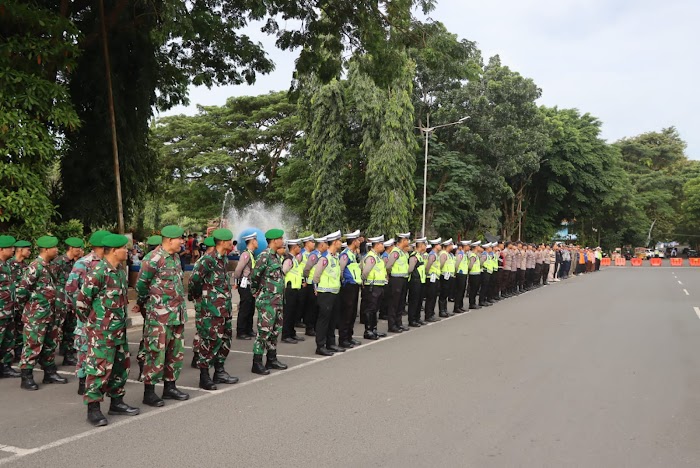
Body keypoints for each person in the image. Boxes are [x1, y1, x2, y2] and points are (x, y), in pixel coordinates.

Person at [77, 234, 139, 426]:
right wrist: (95, 325)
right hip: (101, 333)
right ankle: (93, 409)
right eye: (124, 248)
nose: (127, 251)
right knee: (98, 369)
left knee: (121, 367)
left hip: (119, 331)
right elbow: (81, 303)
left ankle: (117, 402)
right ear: (112, 250)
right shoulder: (98, 272)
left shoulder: (120, 271)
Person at [135, 225, 190, 407]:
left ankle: (170, 387)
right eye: (180, 239)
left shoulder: (174, 257)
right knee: (155, 353)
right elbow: (141, 285)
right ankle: (149, 392)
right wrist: (146, 304)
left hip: (176, 315)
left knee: (175, 353)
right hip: (158, 316)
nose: (182, 242)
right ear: (169, 240)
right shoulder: (153, 258)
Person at [189, 228, 239, 390]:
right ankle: (204, 376)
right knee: (209, 341)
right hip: (210, 310)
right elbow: (194, 280)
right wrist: (200, 298)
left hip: (224, 308)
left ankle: (219, 371)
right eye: (230, 241)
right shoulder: (207, 260)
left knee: (224, 340)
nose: (232, 244)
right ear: (223, 243)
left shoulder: (223, 259)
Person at [16, 235, 67, 390]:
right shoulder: (35, 267)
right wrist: (32, 307)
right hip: (36, 315)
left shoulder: (50, 266)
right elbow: (21, 292)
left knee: (50, 344)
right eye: (54, 248)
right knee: (32, 345)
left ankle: (49, 373)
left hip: (51, 313)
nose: (57, 250)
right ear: (46, 250)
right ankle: (26, 377)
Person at [64, 230, 111, 395]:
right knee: (85, 349)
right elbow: (70, 289)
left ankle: (103, 380)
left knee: (104, 349)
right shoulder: (84, 263)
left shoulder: (110, 262)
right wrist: (82, 309)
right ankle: (83, 381)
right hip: (87, 316)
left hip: (106, 317)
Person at [249, 229, 288, 374]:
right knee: (264, 332)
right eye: (281, 238)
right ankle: (257, 362)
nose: (282, 241)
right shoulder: (264, 256)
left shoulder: (276, 256)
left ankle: (271, 359)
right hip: (267, 302)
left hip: (277, 301)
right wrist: (255, 292)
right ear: (274, 240)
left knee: (275, 332)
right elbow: (255, 276)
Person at [52, 237, 85, 367]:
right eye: (78, 249)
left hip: (71, 301)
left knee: (70, 329)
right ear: (71, 248)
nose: (81, 250)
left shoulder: (77, 263)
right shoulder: (58, 262)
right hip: (60, 301)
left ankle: (68, 355)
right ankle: (48, 359)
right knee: (56, 330)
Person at [312, 230, 344, 355]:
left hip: (335, 292)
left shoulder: (335, 258)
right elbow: (316, 276)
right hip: (325, 293)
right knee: (323, 320)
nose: (341, 243)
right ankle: (320, 346)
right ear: (335, 242)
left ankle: (331, 343)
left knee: (332, 319)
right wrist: (317, 288)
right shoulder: (325, 258)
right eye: (339, 241)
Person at [338, 230, 363, 348]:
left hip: (354, 285)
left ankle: (349, 336)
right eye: (358, 240)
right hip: (347, 286)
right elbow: (340, 271)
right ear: (353, 241)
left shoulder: (353, 254)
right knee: (346, 313)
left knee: (352, 313)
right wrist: (344, 282)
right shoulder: (345, 254)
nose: (359, 242)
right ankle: (343, 339)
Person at [0, 235, 20, 378]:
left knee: (8, 340)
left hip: (9, 310)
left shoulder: (7, 264)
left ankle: (5, 367)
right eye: (10, 248)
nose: (13, 250)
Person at [360, 236, 387, 340]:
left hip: (378, 286)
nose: (383, 246)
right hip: (372, 286)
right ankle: (368, 330)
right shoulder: (371, 257)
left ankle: (374, 329)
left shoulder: (377, 257)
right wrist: (363, 281)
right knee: (370, 309)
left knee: (375, 309)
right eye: (381, 244)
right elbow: (365, 271)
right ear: (377, 245)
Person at [233, 232, 258, 340]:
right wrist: (236, 282)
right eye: (255, 240)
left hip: (250, 285)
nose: (257, 242)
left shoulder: (252, 254)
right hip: (245, 285)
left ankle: (249, 329)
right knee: (245, 308)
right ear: (252, 241)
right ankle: (241, 331)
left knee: (251, 308)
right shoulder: (246, 254)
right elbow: (238, 269)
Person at [281, 238, 306, 344]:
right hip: (290, 289)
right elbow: (283, 272)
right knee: (288, 313)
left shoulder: (294, 259)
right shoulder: (289, 260)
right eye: (298, 246)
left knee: (293, 312)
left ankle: (292, 333)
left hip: (296, 288)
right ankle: (286, 335)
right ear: (294, 247)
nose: (300, 248)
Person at [10, 240, 31, 361]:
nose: (29, 252)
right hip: (9, 304)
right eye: (27, 249)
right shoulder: (9, 264)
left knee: (20, 329)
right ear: (20, 250)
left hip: (22, 304)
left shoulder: (26, 266)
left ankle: (18, 353)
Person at [385, 233, 411, 333]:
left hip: (403, 279)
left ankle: (398, 323)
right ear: (403, 240)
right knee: (394, 303)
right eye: (407, 240)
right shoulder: (395, 252)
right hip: (396, 279)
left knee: (401, 302)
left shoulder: (403, 252)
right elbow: (388, 266)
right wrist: (390, 275)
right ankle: (392, 325)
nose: (408, 242)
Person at [407, 237, 428, 326]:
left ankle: (417, 318)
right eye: (424, 244)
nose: (426, 246)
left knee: (419, 301)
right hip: (415, 281)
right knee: (414, 301)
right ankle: (412, 320)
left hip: (421, 281)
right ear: (421, 245)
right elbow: (410, 269)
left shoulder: (420, 255)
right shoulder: (414, 256)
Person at [298, 236, 316, 334]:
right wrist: (302, 280)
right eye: (312, 242)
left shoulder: (312, 254)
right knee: (302, 304)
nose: (313, 244)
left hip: (310, 282)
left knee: (308, 305)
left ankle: (306, 321)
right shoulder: (301, 254)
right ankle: (299, 321)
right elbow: (297, 268)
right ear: (307, 243)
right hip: (303, 282)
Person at [424, 238, 442, 322]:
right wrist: (428, 274)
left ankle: (431, 314)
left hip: (435, 277)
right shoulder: (432, 255)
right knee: (431, 297)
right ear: (436, 245)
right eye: (439, 244)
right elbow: (428, 266)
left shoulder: (436, 254)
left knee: (434, 297)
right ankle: (428, 315)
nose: (440, 246)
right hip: (431, 278)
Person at [438, 238, 456, 317]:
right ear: (448, 245)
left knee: (446, 294)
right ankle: (442, 311)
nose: (452, 246)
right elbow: (441, 265)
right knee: (443, 294)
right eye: (451, 245)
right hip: (445, 275)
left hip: (449, 275)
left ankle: (445, 310)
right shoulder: (443, 254)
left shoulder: (449, 254)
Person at [454, 240, 471, 313]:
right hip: (460, 274)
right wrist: (456, 272)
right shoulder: (460, 254)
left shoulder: (465, 254)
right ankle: (456, 307)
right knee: (459, 291)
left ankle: (460, 305)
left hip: (464, 274)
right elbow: (457, 264)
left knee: (462, 290)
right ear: (464, 246)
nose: (469, 247)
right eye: (468, 245)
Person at [467, 241, 482, 309]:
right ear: (476, 247)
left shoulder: (475, 255)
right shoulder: (473, 255)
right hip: (473, 274)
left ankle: (473, 303)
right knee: (473, 290)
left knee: (475, 289)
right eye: (479, 246)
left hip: (476, 273)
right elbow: (470, 265)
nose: (480, 247)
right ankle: (472, 303)